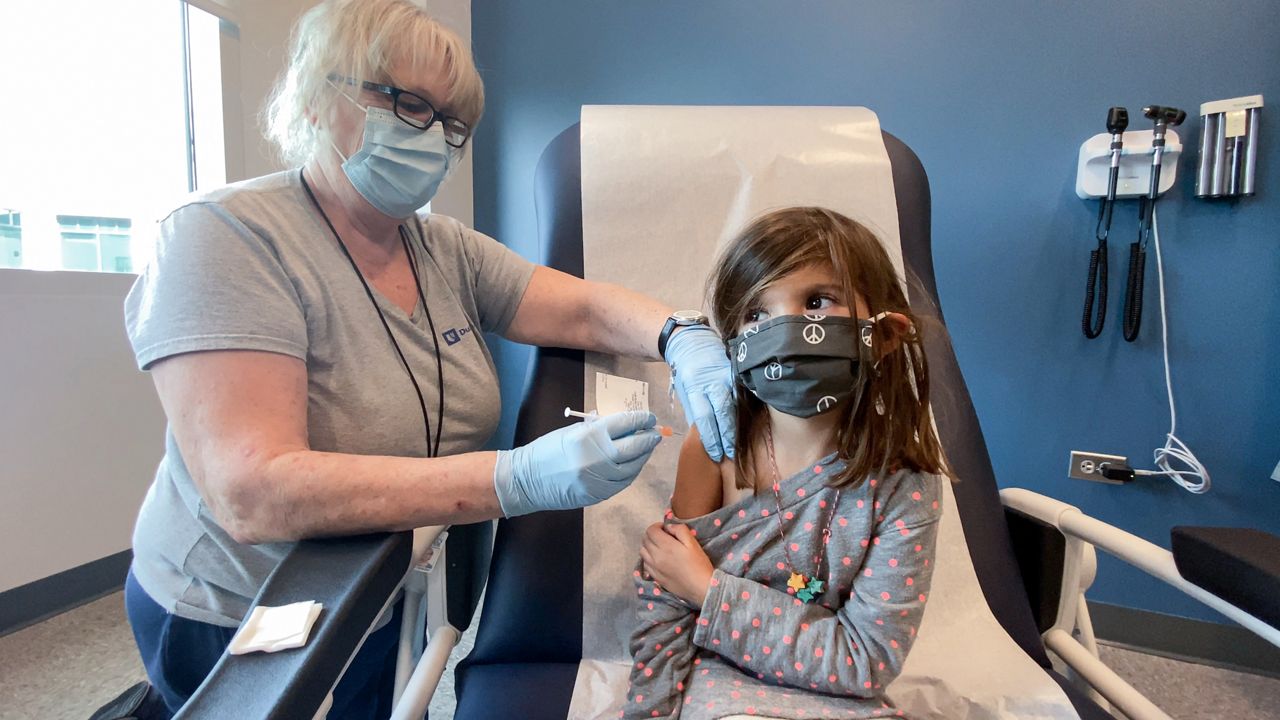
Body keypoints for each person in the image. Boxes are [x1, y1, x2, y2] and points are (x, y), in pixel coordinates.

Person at [119, 1, 734, 717]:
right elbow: (255, 491)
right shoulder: (225, 239)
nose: (434, 137)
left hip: (380, 588)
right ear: (320, 95)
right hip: (238, 613)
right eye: (409, 103)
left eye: (452, 123)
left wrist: (680, 334)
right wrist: (517, 477)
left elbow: (584, 308)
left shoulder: (442, 247)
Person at [622, 207, 950, 719]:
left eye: (817, 302)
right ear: (731, 345)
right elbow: (665, 603)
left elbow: (867, 661)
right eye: (756, 314)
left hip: (842, 702)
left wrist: (707, 589)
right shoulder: (712, 450)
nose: (788, 328)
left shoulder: (905, 484)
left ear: (883, 335)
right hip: (722, 688)